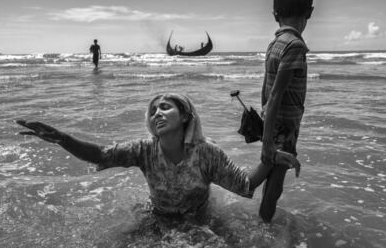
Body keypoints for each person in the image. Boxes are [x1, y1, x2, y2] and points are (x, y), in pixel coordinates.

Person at [16, 93, 300, 220]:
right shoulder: (144, 150)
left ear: (186, 115)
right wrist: (61, 139)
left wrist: (269, 158)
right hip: (157, 217)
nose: (157, 114)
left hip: (198, 221)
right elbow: (101, 154)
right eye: (153, 111)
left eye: (165, 107)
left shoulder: (206, 153)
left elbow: (245, 184)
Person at [258, 0, 314, 222]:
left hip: (273, 123)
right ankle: (264, 229)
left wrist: (266, 127)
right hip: (285, 126)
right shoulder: (295, 46)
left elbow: (266, 88)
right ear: (309, 13)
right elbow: (276, 95)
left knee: (271, 177)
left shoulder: (275, 43)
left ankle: (263, 220)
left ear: (274, 14)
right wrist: (267, 141)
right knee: (276, 183)